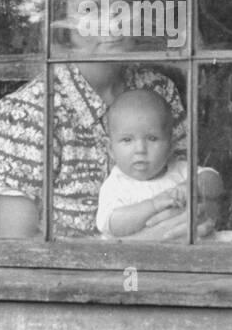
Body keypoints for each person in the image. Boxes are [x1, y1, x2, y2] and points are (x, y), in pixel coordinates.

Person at [0, 0, 216, 240]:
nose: (110, 24)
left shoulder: (158, 90)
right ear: (63, 19)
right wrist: (140, 246)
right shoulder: (24, 116)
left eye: (123, 6)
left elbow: (195, 193)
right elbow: (16, 254)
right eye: (90, 8)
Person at [95, 88, 223, 239]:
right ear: (111, 149)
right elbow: (112, 224)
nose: (140, 149)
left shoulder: (180, 170)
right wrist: (153, 205)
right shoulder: (115, 185)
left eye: (152, 138)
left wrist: (192, 186)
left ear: (171, 145)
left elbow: (215, 181)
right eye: (127, 140)